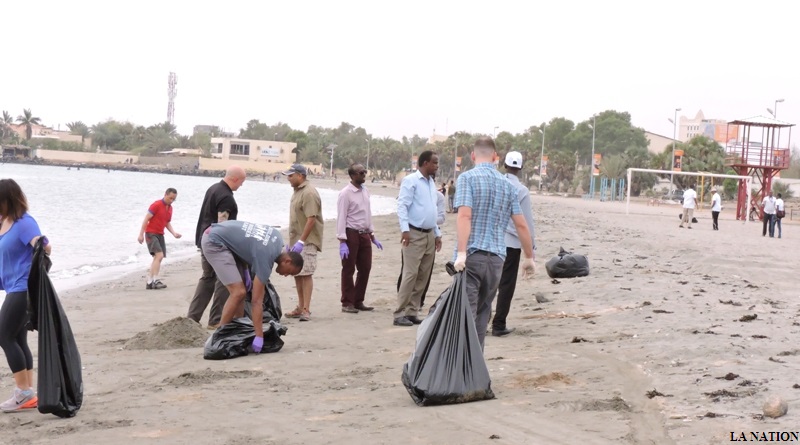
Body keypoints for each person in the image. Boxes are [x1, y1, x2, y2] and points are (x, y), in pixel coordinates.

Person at [453, 137, 535, 350]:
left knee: (466, 314)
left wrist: (461, 253)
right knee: (483, 313)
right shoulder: (507, 185)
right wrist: (529, 258)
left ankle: (462, 369)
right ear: (496, 157)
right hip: (497, 259)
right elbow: (522, 225)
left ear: (473, 156)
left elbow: (464, 216)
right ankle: (475, 369)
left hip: (473, 255)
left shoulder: (466, 179)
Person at [202, 221, 303, 352]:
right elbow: (256, 302)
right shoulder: (266, 260)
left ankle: (239, 329)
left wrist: (245, 270)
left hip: (221, 233)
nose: (286, 275)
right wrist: (259, 336)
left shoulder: (277, 237)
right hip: (214, 242)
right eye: (289, 272)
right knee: (238, 292)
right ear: (287, 261)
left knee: (242, 291)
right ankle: (218, 338)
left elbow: (248, 243)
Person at [0, 179, 51, 412]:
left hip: (23, 289)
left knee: (4, 335)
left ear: (7, 200)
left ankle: (23, 393)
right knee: (18, 338)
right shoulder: (5, 222)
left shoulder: (24, 222)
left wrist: (41, 247)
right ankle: (28, 393)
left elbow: (44, 246)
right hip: (12, 287)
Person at [187, 165, 246, 329]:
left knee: (207, 278)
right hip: (216, 244)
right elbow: (223, 224)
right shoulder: (226, 197)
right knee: (224, 279)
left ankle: (192, 318)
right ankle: (215, 320)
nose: (241, 185)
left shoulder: (213, 189)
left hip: (203, 240)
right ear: (234, 179)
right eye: (241, 182)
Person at [394, 151, 442, 327]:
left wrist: (437, 234)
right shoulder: (411, 181)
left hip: (429, 233)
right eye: (434, 163)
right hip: (413, 234)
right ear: (424, 163)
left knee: (423, 275)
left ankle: (412, 311)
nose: (437, 166)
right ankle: (399, 313)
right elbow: (402, 206)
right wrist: (405, 230)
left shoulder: (431, 183)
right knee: (410, 274)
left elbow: (432, 211)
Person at [491, 151, 536, 338]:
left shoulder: (495, 183)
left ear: (504, 165)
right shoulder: (522, 190)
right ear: (521, 168)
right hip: (512, 243)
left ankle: (480, 318)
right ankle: (499, 324)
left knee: (489, 281)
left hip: (492, 239)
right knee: (506, 284)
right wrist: (531, 249)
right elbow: (525, 222)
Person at [337, 163, 383, 313]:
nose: (364, 174)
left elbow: (367, 214)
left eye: (364, 172)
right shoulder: (345, 193)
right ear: (352, 175)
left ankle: (358, 300)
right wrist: (342, 241)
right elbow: (341, 217)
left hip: (364, 234)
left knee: (365, 268)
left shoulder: (366, 191)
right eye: (360, 172)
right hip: (351, 233)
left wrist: (372, 235)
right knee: (348, 268)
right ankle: (347, 302)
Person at [283, 164, 323, 322]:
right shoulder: (297, 191)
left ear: (300, 175)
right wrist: (292, 241)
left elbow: (311, 219)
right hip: (296, 239)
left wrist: (301, 241)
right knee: (297, 273)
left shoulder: (309, 192)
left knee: (306, 274)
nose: (288, 178)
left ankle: (306, 308)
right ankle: (300, 307)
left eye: (291, 175)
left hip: (307, 240)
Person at [137, 188, 181, 289]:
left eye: (173, 199)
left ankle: (150, 282)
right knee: (159, 255)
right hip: (151, 233)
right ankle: (156, 280)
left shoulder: (170, 208)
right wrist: (141, 235)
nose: (171, 201)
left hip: (160, 234)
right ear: (165, 195)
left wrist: (174, 233)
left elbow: (166, 222)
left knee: (157, 258)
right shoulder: (156, 205)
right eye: (170, 198)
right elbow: (146, 219)